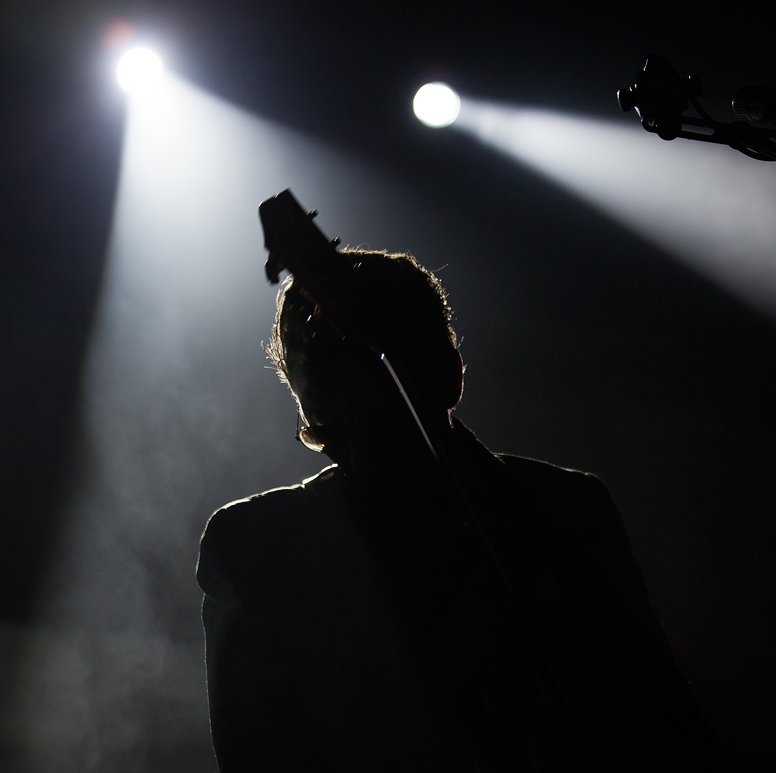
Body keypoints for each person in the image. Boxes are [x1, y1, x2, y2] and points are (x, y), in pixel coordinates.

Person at [197, 248, 717, 771]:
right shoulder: (255, 544)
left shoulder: (567, 507)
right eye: (327, 367)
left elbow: (664, 716)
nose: (360, 397)